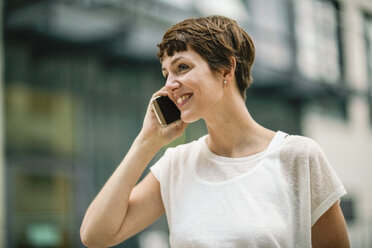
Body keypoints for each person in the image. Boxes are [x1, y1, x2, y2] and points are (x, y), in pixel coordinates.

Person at [80, 16, 350, 247]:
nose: (169, 85)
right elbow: (96, 236)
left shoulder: (298, 157)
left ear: (226, 69)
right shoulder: (177, 163)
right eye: (166, 73)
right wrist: (146, 142)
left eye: (182, 67)